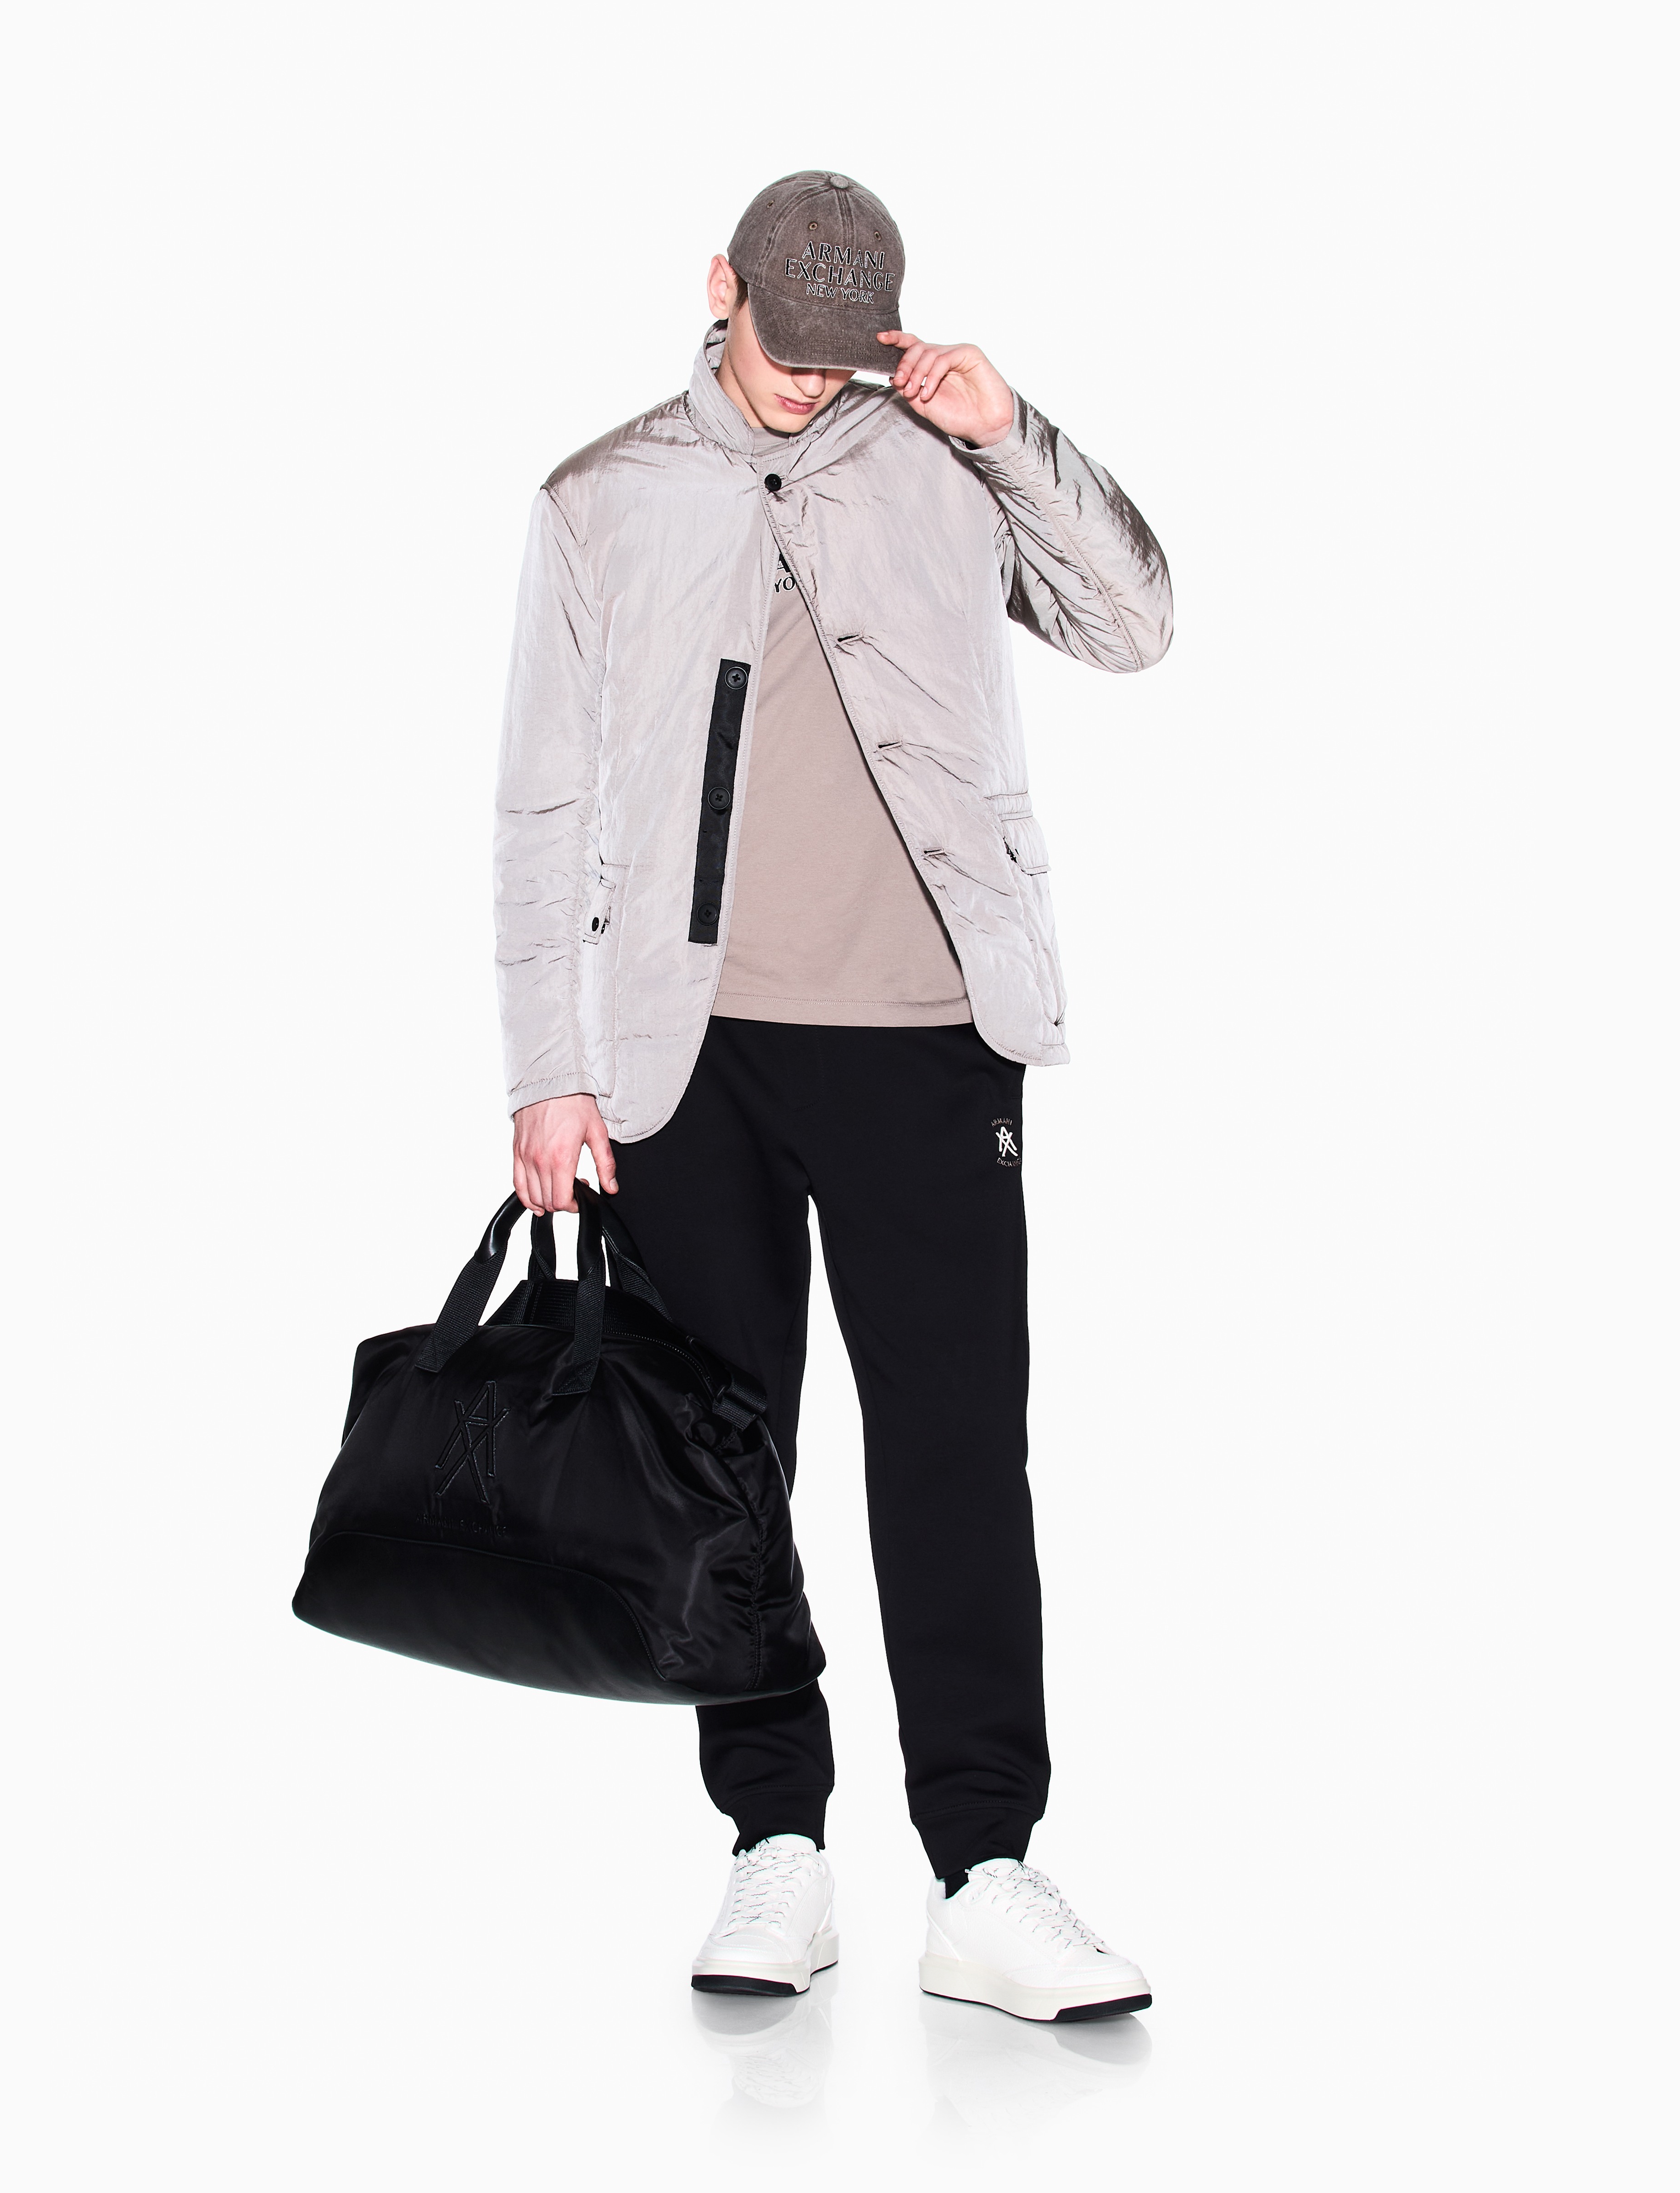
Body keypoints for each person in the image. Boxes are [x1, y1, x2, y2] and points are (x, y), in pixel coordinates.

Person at [495, 171, 1172, 2022]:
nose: (807, 382)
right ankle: (774, 1844)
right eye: (782, 346)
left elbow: (1134, 624)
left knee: (956, 1452)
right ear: (718, 287)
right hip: (686, 1054)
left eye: (837, 354)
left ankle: (985, 1872)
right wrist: (549, 1069)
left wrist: (1011, 430)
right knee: (728, 1463)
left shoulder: (943, 460)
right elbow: (541, 798)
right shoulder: (603, 494)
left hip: (927, 1032)